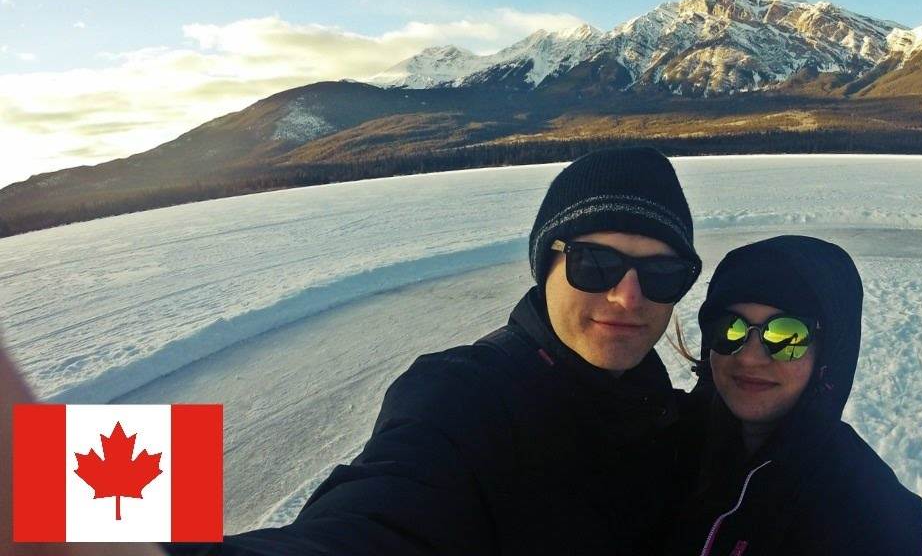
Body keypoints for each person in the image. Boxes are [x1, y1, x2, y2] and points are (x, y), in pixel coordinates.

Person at [164, 146, 704, 555]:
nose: (627, 296)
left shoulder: (657, 404)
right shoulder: (463, 395)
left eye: (662, 273)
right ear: (546, 267)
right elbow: (381, 519)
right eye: (596, 263)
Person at [666, 235, 922, 555]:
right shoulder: (659, 438)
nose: (749, 357)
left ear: (826, 355)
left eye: (786, 335)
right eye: (729, 328)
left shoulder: (870, 517)